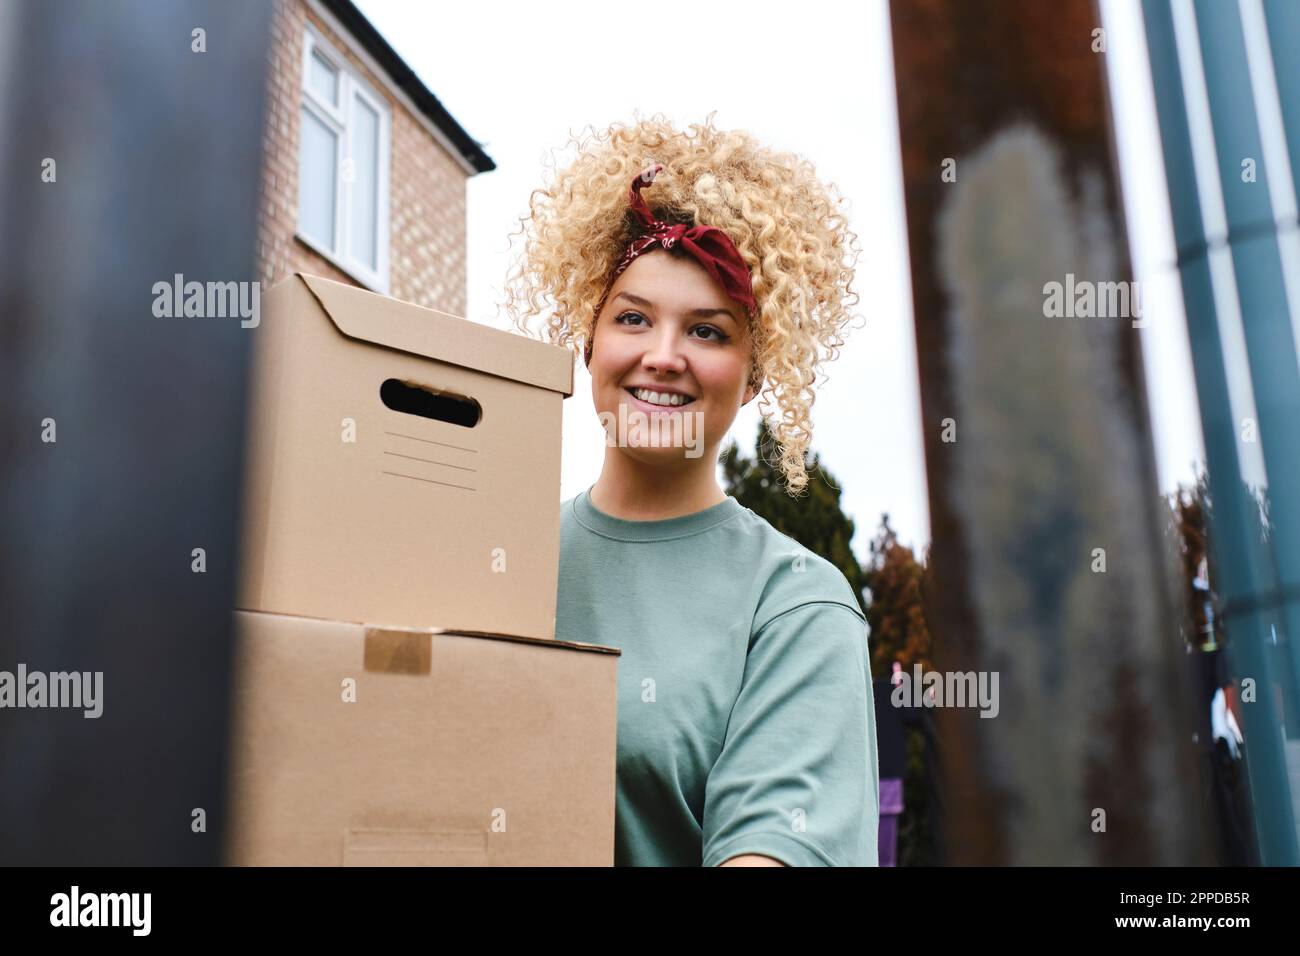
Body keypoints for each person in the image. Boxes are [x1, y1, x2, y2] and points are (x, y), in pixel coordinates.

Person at [503, 113, 877, 866]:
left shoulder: (796, 604)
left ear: (753, 377)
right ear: (590, 343)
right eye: (633, 318)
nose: (663, 356)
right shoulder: (499, 561)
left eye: (708, 331)